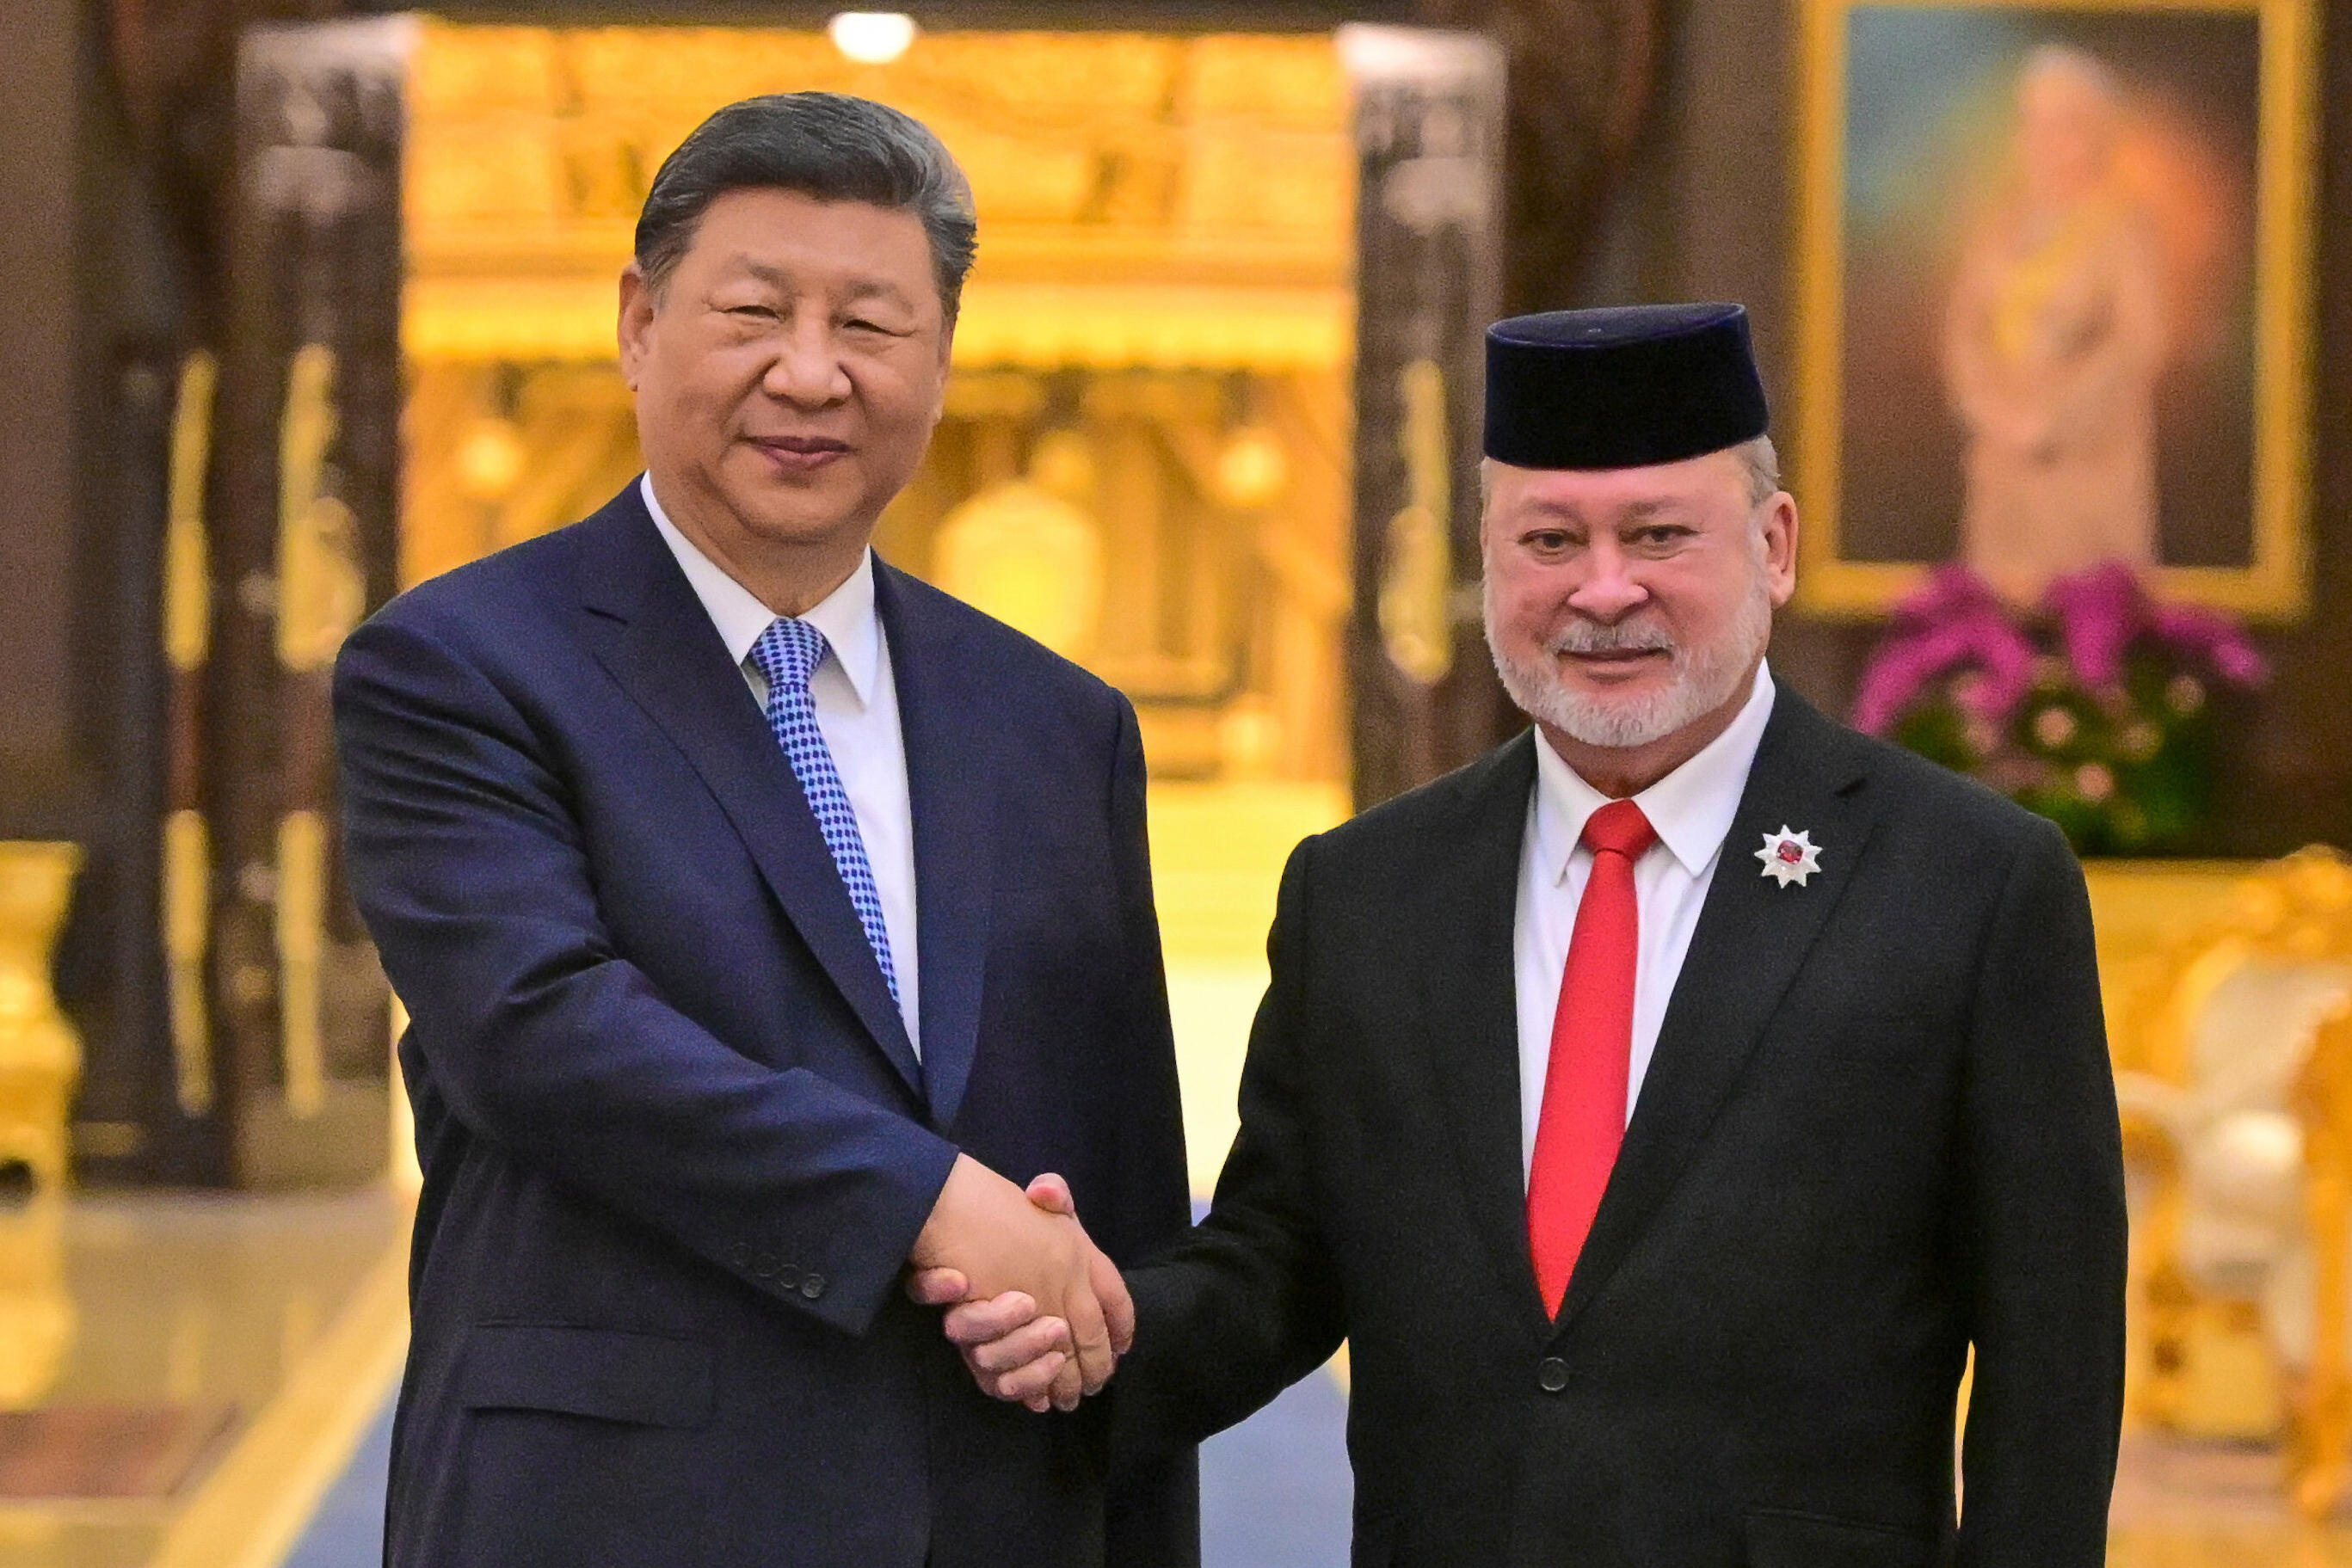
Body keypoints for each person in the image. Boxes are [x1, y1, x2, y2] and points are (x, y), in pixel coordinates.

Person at [923, 303, 2128, 1565]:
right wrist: (1086, 1322)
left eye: (1658, 534)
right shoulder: (1365, 890)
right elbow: (1279, 1263)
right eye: (1549, 540)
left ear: (1772, 546)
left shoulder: (1965, 881)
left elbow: (2052, 1354)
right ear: (1488, 561)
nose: (1602, 590)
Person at [334, 94, 1196, 1568]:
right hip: (615, 1509)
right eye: (751, 311)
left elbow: (1115, 1183)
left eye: (870, 324)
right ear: (636, 324)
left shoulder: (1056, 721)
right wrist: (928, 1200)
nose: (809, 373)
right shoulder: (462, 666)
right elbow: (542, 1033)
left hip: (988, 1505)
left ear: (938, 357)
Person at [1946, 46, 2168, 600]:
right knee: (1998, 629)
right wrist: (1994, 412)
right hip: (2002, 468)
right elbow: (1962, 334)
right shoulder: (1999, 226)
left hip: (2088, 468)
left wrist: (2054, 421)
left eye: (2064, 127)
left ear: (2097, 137)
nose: (2045, 142)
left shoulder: (2121, 230)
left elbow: (2140, 342)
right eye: (2034, 125)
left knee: (2090, 628)